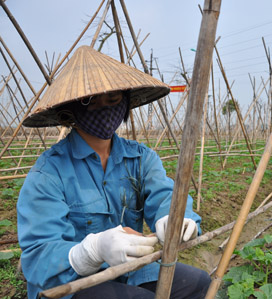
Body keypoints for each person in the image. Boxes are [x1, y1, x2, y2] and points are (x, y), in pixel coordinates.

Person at [17, 46, 210, 299]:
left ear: (126, 102)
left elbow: (165, 196)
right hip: (74, 281)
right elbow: (38, 255)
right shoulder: (49, 172)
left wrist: (175, 218)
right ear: (73, 108)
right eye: (91, 101)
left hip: (130, 270)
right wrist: (92, 251)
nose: (105, 109)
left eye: (113, 100)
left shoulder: (141, 158)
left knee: (198, 283)